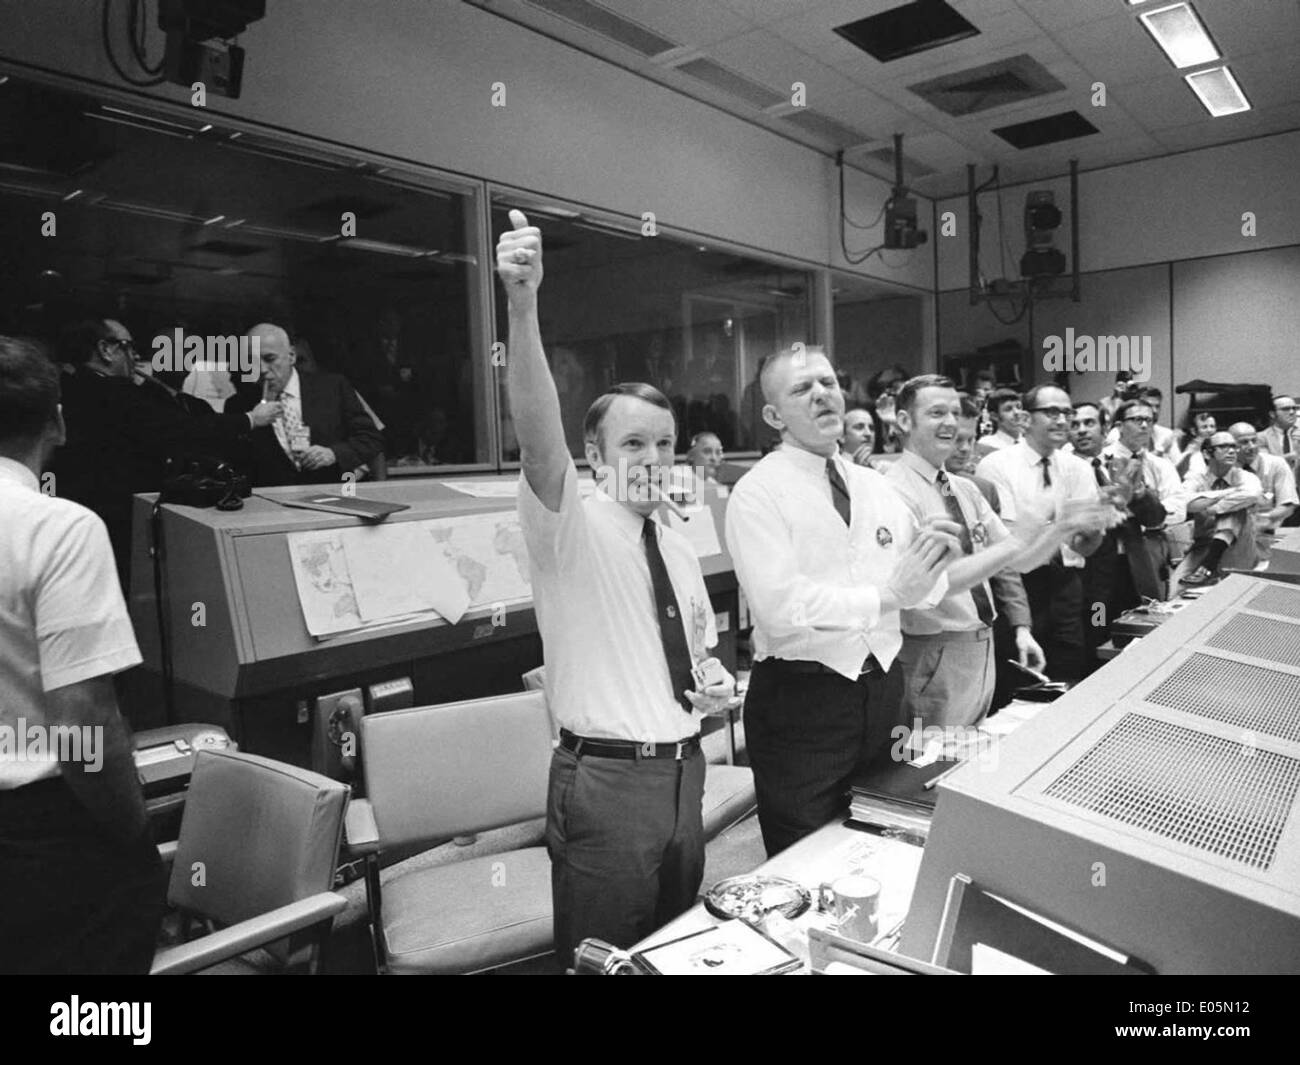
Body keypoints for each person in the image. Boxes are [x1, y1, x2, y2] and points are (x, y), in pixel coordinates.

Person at [497, 211, 738, 965]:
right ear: (596, 456)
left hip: (683, 772)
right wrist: (524, 301)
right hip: (604, 783)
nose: (654, 455)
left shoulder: (676, 541)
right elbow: (539, 437)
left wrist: (716, 684)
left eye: (664, 442)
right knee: (602, 960)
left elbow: (693, 655)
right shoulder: (569, 524)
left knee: (669, 951)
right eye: (633, 442)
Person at [724, 345, 965, 857]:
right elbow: (779, 606)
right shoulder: (757, 493)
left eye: (828, 383)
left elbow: (919, 590)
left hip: (882, 690)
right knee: (805, 853)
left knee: (876, 831)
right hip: (802, 699)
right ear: (773, 416)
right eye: (801, 389)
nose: (821, 395)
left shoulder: (875, 486)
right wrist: (888, 595)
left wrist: (936, 561)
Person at [0, 335, 166, 974]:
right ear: (57, 421)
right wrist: (132, 833)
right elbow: (82, 725)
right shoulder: (62, 530)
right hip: (46, 842)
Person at [885, 376, 1106, 727]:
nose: (950, 423)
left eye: (955, 413)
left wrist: (1062, 527)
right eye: (937, 413)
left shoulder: (964, 489)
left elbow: (1017, 561)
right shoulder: (892, 492)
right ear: (903, 421)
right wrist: (1019, 539)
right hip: (934, 648)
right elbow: (929, 586)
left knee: (964, 758)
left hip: (980, 644)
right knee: (928, 765)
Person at [53, 317, 281, 588]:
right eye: (127, 346)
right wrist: (251, 419)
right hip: (120, 517)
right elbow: (179, 430)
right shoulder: (113, 392)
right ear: (105, 350)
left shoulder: (78, 388)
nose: (135, 355)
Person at [976, 384, 1108, 681]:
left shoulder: (1078, 468)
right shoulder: (996, 466)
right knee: (1021, 675)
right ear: (1025, 418)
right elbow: (1009, 545)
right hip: (1019, 585)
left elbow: (1084, 547)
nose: (1063, 421)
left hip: (1067, 583)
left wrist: (1096, 530)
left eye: (1066, 412)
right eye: (1051, 412)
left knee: (1070, 668)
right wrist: (1061, 527)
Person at [949, 396, 1043, 711]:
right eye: (956, 440)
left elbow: (1004, 564)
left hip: (986, 628)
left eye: (970, 439)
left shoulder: (980, 489)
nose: (965, 448)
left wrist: (1021, 626)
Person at [225, 323, 383, 486]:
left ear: (291, 355)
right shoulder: (240, 405)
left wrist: (333, 453)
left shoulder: (332, 388)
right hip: (272, 501)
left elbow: (370, 439)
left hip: (330, 496)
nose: (262, 369)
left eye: (269, 359)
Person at [1098, 398, 1188, 602]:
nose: (1145, 425)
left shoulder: (1161, 465)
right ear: (1119, 426)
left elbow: (1178, 509)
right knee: (1102, 616)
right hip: (1111, 552)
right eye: (1137, 419)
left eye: (1149, 420)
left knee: (1149, 609)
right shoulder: (1101, 461)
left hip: (1151, 549)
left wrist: (1147, 511)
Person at [1177, 432, 1266, 586]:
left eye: (1233, 446)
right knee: (1175, 588)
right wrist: (1228, 492)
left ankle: (1209, 565)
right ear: (1206, 453)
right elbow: (1184, 501)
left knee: (1234, 510)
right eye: (1223, 447)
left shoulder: (1246, 477)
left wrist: (1211, 507)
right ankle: (1208, 564)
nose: (1231, 451)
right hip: (1204, 544)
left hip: (1240, 548)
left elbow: (1252, 494)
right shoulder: (1196, 478)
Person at [1228, 421, 1297, 562]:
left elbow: (1289, 503)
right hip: (1232, 536)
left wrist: (1267, 518)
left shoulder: (1276, 464)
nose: (1252, 447)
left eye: (1254, 440)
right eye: (1244, 442)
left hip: (1271, 534)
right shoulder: (1224, 468)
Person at [973, 387, 1023, 460]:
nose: (1016, 412)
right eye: (1008, 409)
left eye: (1019, 407)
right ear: (994, 416)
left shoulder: (1030, 442)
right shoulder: (986, 444)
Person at [1260, 394, 1298, 468]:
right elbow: (1265, 464)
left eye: (1294, 408)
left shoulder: (1298, 433)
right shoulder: (1262, 437)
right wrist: (1293, 455)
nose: (1292, 412)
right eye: (1286, 409)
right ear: (1272, 414)